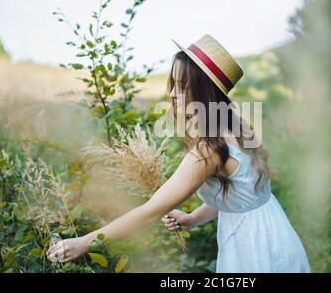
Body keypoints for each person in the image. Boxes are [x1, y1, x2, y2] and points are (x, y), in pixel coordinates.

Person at [47, 34, 311, 272]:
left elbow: (150, 212)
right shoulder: (238, 124)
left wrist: (85, 242)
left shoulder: (208, 150)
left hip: (254, 250)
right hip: (276, 235)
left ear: (204, 91)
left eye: (182, 85)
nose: (173, 94)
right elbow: (243, 195)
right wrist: (193, 218)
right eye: (172, 83)